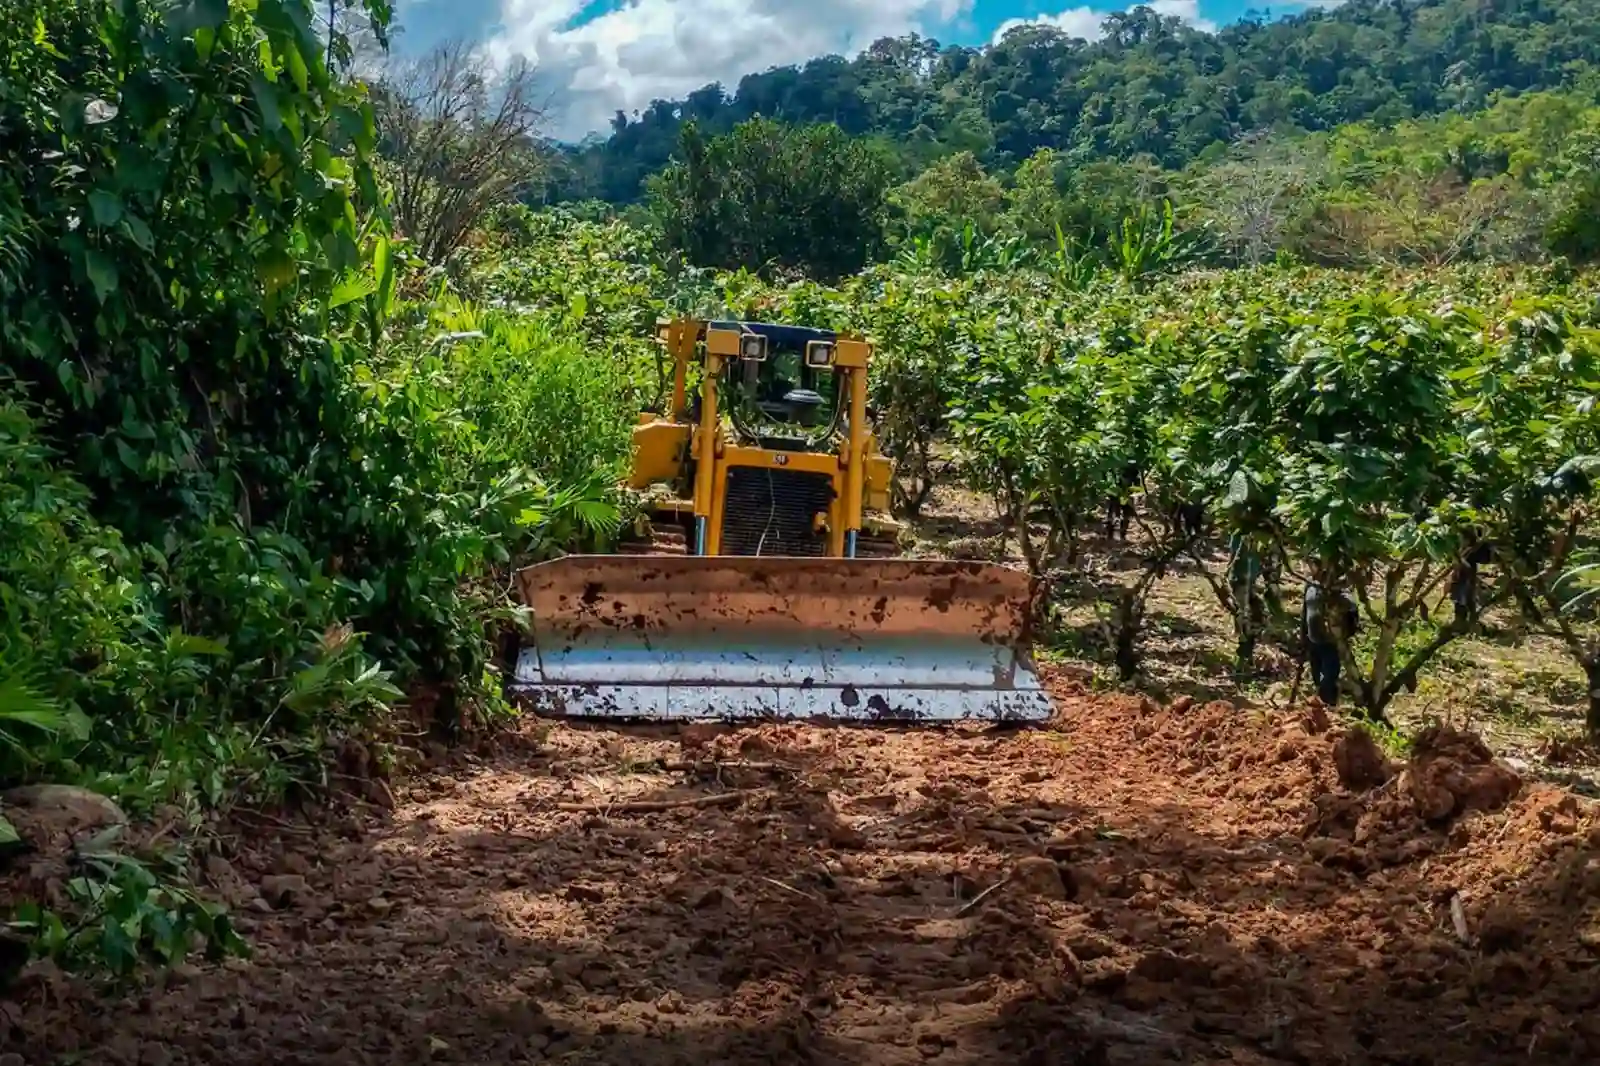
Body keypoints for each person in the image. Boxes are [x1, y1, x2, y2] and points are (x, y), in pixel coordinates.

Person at [1302, 582, 1359, 706]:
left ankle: (1329, 705)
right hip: (1313, 639)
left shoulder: (1340, 590)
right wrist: (1303, 635)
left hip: (1330, 643)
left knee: (1329, 677)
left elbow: (1353, 610)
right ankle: (1321, 706)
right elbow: (1305, 612)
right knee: (1316, 677)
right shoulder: (1310, 587)